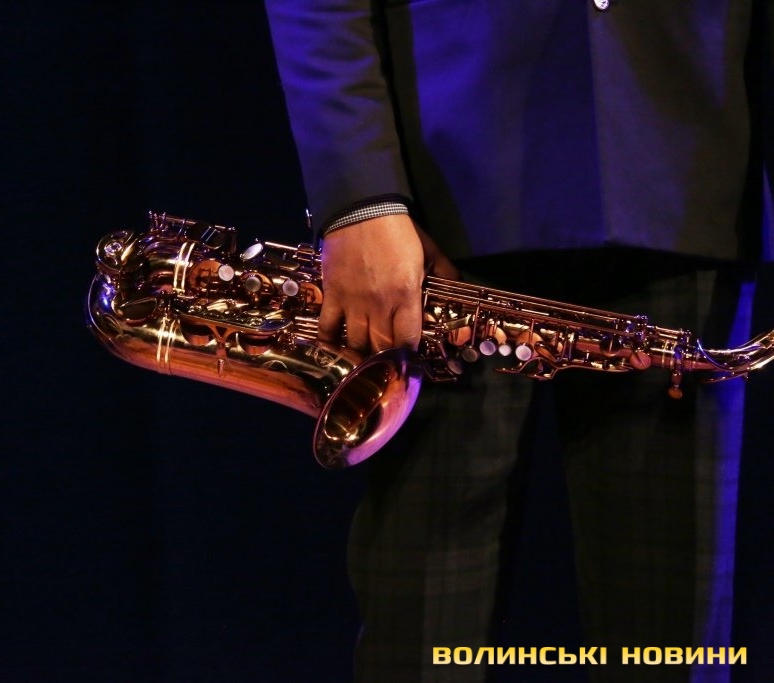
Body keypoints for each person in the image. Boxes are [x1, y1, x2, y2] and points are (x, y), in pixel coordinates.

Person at [265, 1, 771, 682]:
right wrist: (359, 197)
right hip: (436, 218)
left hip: (691, 174)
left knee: (673, 655)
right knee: (422, 649)